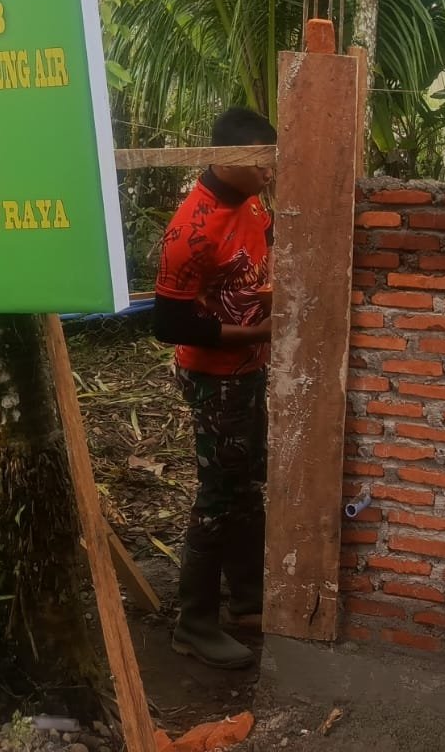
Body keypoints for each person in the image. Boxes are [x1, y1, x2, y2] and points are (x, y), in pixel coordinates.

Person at [152, 107, 276, 670]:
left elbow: (255, 261)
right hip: (214, 379)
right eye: (261, 163)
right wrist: (256, 332)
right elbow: (169, 324)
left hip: (248, 372)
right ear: (229, 159)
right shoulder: (192, 230)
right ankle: (194, 623)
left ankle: (249, 602)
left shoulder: (251, 202)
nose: (269, 173)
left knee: (247, 485)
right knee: (218, 496)